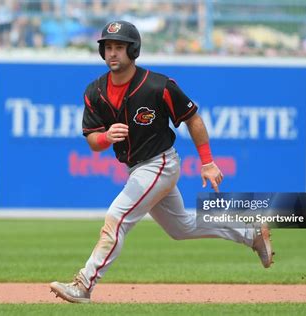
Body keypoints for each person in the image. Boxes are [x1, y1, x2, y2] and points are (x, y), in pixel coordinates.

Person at [50, 20, 274, 304]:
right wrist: (106, 136)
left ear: (134, 50)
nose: (113, 53)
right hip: (138, 168)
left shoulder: (158, 86)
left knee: (116, 218)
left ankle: (83, 284)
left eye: (119, 47)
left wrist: (207, 161)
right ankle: (250, 232)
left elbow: (192, 119)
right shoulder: (95, 91)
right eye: (108, 47)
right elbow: (93, 142)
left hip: (160, 163)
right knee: (182, 228)